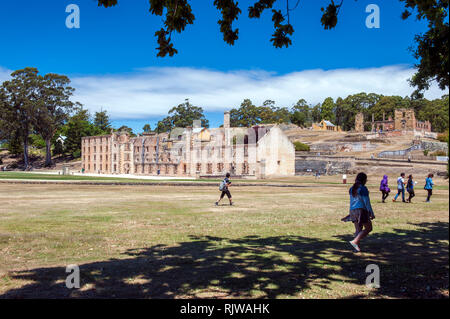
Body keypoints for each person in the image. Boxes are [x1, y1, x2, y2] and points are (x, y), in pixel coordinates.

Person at [342, 172, 375, 252]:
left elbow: (352, 202)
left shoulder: (352, 188)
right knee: (369, 228)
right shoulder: (363, 188)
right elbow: (366, 201)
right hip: (361, 210)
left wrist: (350, 213)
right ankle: (355, 241)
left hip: (353, 210)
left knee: (358, 229)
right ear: (364, 180)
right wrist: (371, 212)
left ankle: (356, 248)